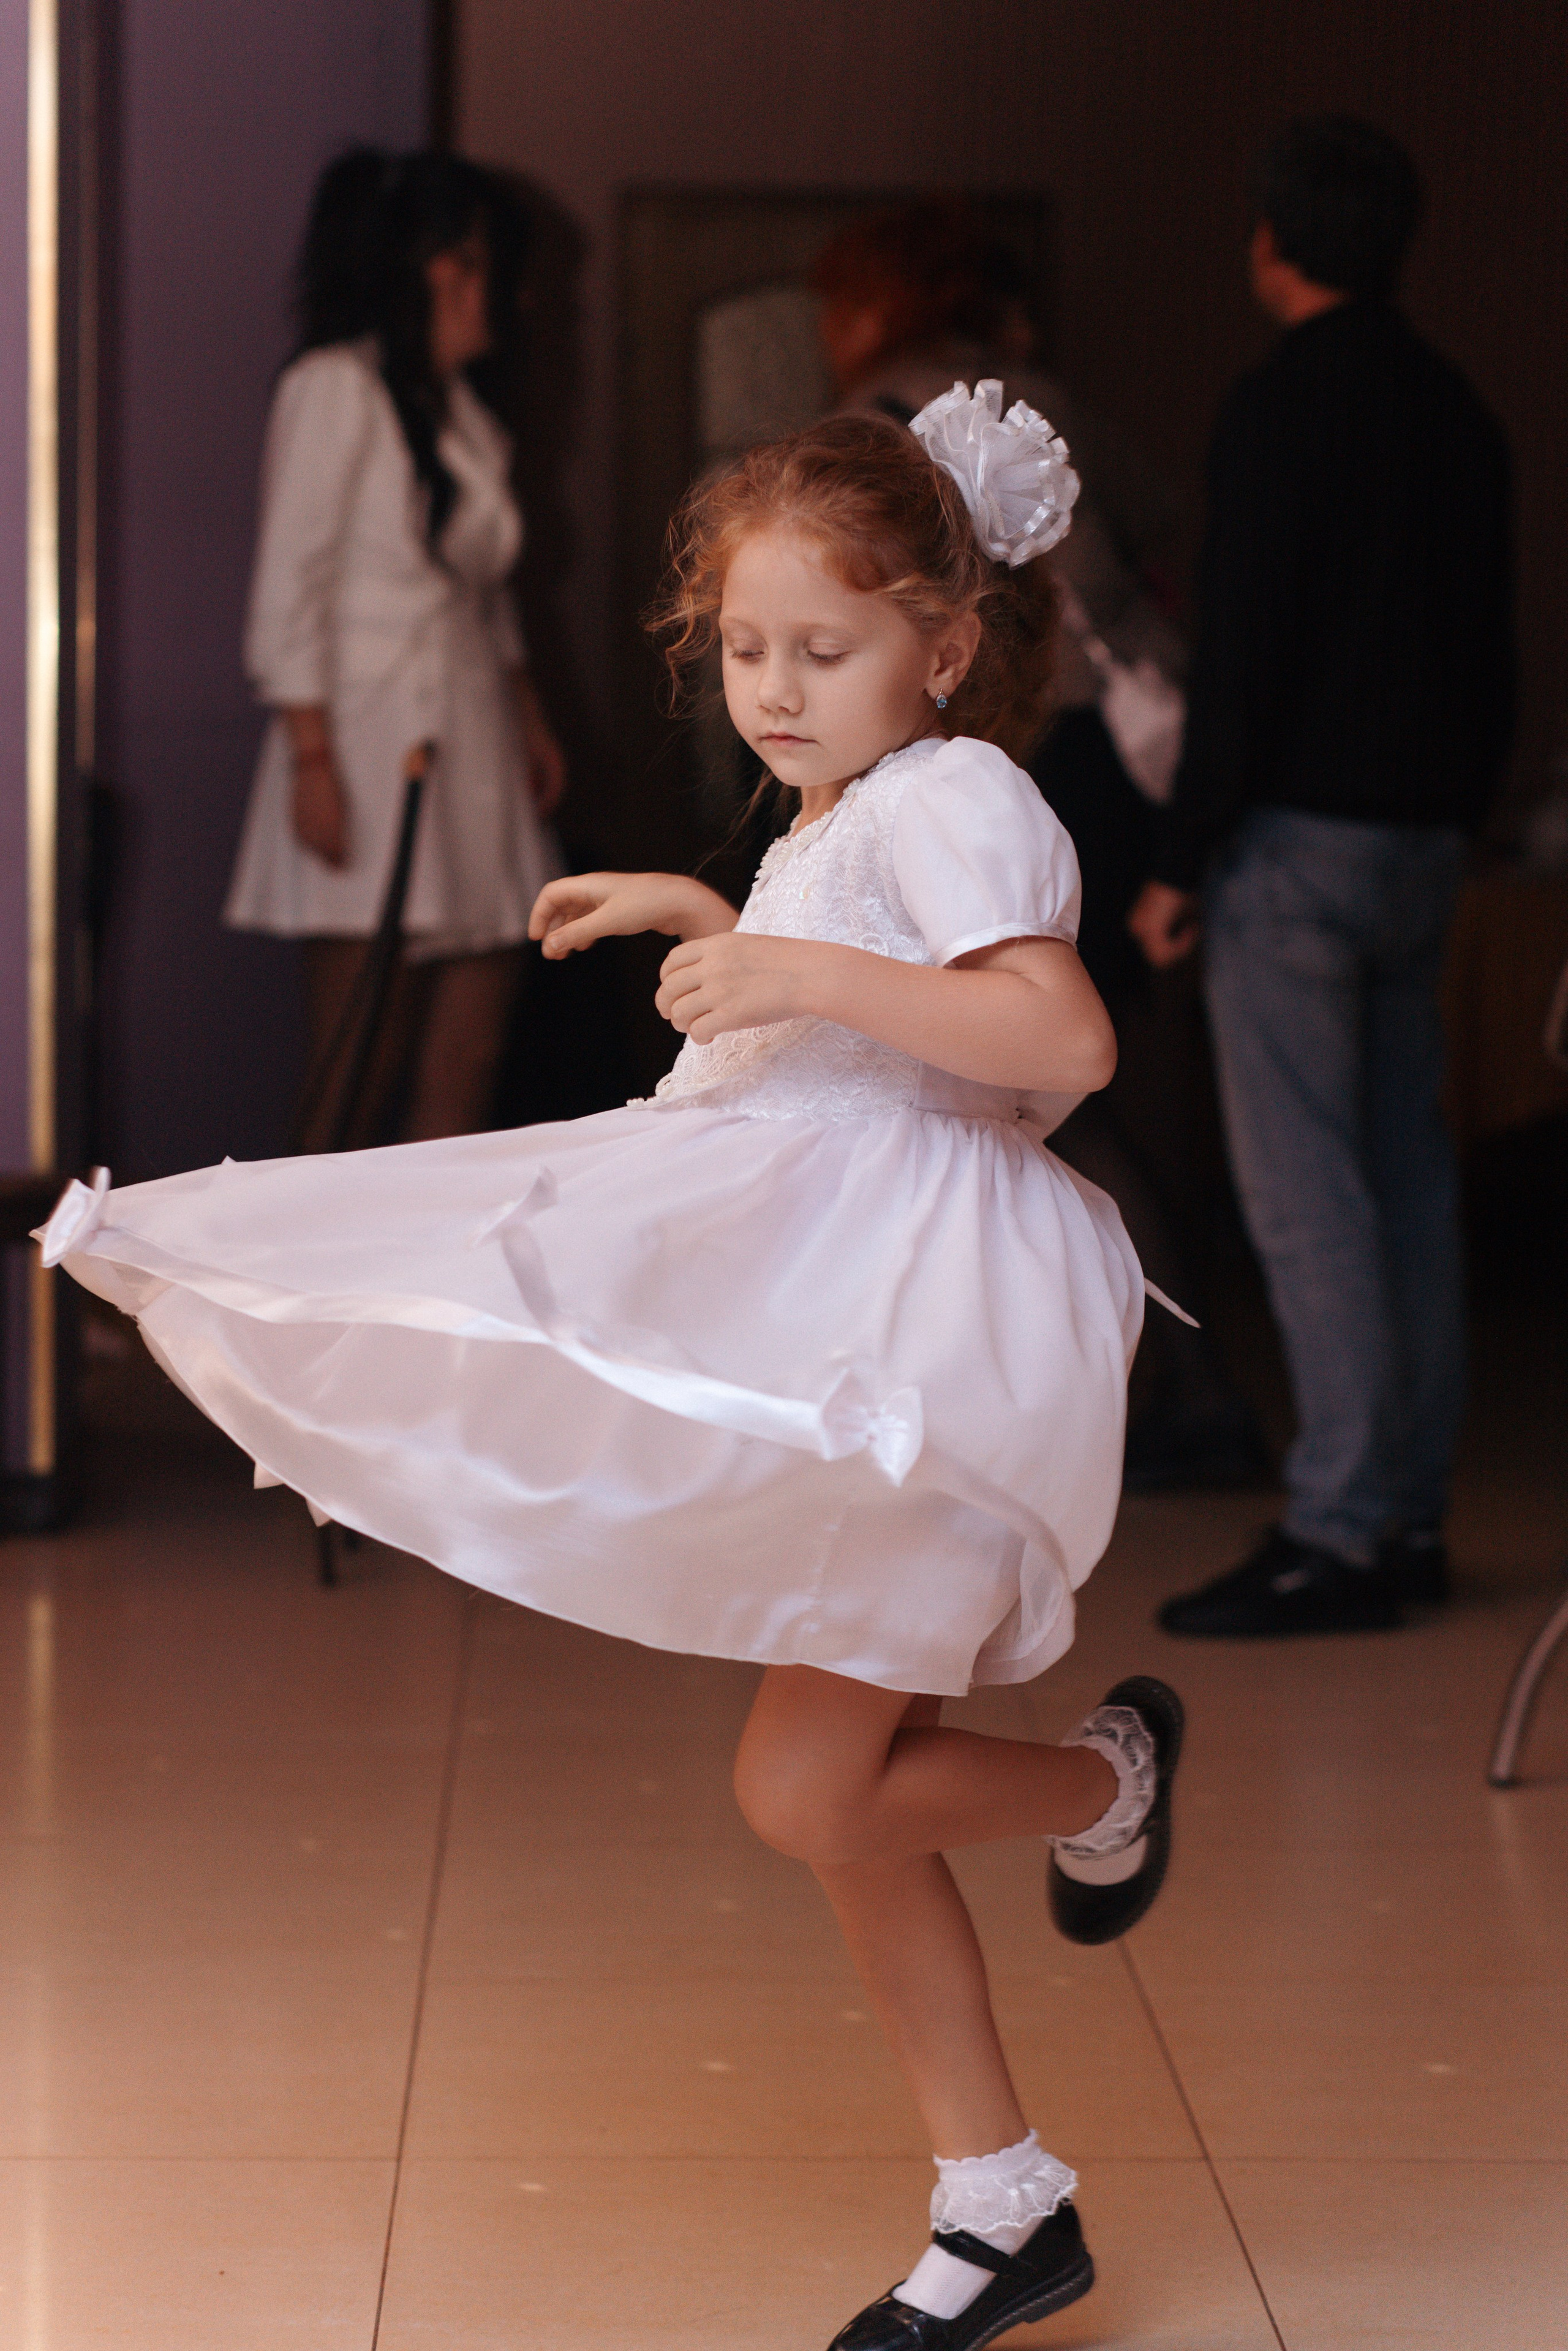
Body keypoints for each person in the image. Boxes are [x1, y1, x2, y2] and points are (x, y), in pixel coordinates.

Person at [43, 394, 1185, 2349]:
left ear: (947, 645)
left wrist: (800, 972)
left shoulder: (964, 792)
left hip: (923, 1334)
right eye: (743, 648)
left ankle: (1107, 1794)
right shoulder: (848, 812)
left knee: (808, 1785)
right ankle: (1003, 2181)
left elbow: (1055, 1037)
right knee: (824, 1791)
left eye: (822, 650)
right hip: (845, 1311)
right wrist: (721, 919)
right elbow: (879, 1018)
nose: (774, 687)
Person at [1129, 118, 1515, 1636]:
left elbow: (1243, 653)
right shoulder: (1456, 412)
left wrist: (1178, 858)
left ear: (1270, 245)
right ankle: (1404, 1510)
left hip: (1291, 846)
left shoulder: (1277, 408)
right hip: (1424, 843)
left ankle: (1343, 1526)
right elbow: (1492, 647)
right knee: (1405, 1184)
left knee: (1306, 1199)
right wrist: (1460, 815)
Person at [818, 201, 1267, 1490]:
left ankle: (1121, 1387)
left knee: (1016, 1073)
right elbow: (1156, 511)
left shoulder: (876, 421)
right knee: (1072, 1081)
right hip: (1088, 768)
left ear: (879, 302)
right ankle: (1153, 1379)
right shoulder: (1046, 397)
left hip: (993, 743)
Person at [225, 149, 566, 1147]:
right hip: (371, 746)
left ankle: (429, 1296)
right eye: (472, 265)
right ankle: (291, 1291)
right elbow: (288, 588)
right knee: (354, 1061)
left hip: (472, 743)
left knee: (467, 1063)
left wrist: (529, 713)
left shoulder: (460, 413)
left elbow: (484, 594)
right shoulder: (335, 387)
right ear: (424, 269)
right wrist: (313, 762)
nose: (496, 291)